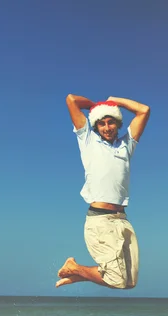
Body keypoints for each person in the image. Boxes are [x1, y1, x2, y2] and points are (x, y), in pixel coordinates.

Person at [56, 95, 150, 288]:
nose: (107, 127)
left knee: (129, 282)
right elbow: (71, 100)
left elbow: (144, 111)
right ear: (96, 126)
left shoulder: (126, 145)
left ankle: (78, 273)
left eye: (111, 122)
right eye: (102, 123)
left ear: (117, 124)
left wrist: (115, 101)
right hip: (100, 221)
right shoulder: (88, 140)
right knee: (116, 279)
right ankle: (74, 267)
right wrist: (95, 107)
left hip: (122, 219)